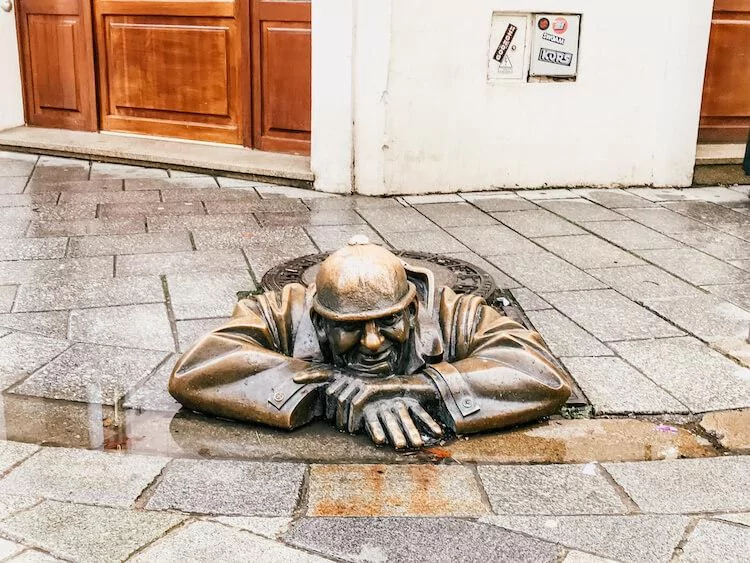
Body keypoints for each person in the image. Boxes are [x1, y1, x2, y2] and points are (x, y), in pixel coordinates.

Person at [169, 238, 570, 449]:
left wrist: (417, 386)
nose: (374, 343)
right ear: (319, 322)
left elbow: (541, 373)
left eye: (390, 321)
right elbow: (198, 367)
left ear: (412, 311)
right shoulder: (282, 310)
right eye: (352, 328)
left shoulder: (454, 313)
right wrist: (324, 386)